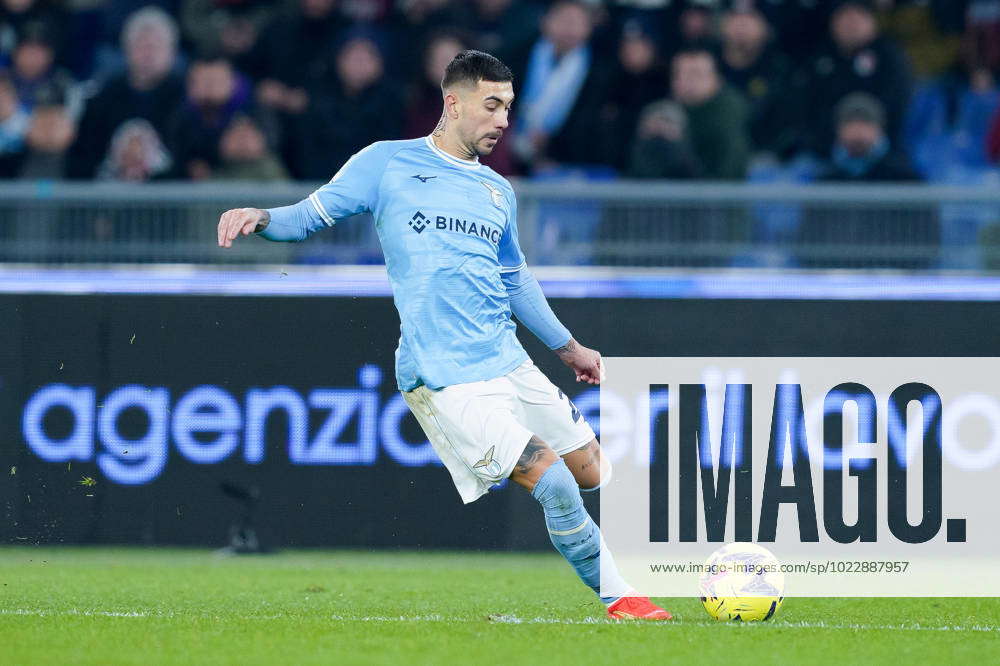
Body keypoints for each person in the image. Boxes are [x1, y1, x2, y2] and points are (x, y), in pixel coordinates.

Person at [216, 50, 672, 622]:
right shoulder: (386, 164)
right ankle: (621, 599)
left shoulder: (497, 191)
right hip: (445, 375)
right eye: (491, 105)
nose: (503, 119)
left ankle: (619, 553)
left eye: (508, 106)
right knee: (555, 483)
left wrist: (569, 348)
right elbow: (310, 216)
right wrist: (261, 216)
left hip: (508, 360)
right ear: (452, 104)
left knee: (593, 471)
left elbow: (514, 278)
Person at [670, 47, 750, 179]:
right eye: (679, 74)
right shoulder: (662, 114)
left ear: (717, 79)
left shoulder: (730, 116)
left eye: (695, 74)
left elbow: (730, 174)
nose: (686, 81)